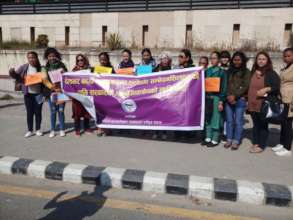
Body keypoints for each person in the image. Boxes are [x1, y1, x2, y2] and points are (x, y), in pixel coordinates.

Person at [247, 51, 280, 153]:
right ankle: (256, 142)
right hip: (252, 103)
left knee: (263, 125)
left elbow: (276, 87)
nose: (261, 61)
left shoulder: (271, 73)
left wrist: (266, 89)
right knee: (256, 124)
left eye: (263, 59)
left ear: (267, 61)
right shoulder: (253, 72)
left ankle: (261, 145)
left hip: (263, 104)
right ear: (256, 61)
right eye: (259, 59)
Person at [9, 51, 44, 138]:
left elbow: (45, 79)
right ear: (28, 59)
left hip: (39, 94)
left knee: (38, 112)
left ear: (36, 58)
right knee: (29, 112)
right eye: (29, 57)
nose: (31, 59)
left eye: (33, 57)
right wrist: (12, 72)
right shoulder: (24, 67)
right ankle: (30, 130)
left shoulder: (41, 68)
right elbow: (16, 75)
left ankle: (38, 129)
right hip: (28, 94)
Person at [224, 51, 251, 150]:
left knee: (238, 121)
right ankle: (229, 139)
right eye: (235, 60)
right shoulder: (229, 71)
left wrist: (235, 96)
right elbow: (225, 84)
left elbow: (245, 86)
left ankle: (236, 141)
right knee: (229, 121)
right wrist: (228, 95)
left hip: (240, 99)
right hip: (228, 99)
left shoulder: (246, 72)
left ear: (242, 60)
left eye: (239, 60)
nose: (237, 62)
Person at [202, 51, 227, 147]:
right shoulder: (207, 71)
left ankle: (215, 139)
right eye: (211, 58)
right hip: (207, 97)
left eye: (215, 58)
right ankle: (208, 137)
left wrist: (221, 101)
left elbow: (224, 88)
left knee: (216, 118)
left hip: (216, 98)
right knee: (207, 117)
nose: (213, 60)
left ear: (219, 59)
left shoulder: (222, 72)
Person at [272, 47, 293, 156]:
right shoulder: (285, 67)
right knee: (283, 122)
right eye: (285, 56)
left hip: (290, 99)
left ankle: (287, 147)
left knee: (288, 124)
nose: (286, 57)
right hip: (283, 99)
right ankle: (281, 143)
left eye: (289, 55)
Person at [44, 47, 68, 138]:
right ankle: (52, 130)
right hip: (52, 93)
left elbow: (67, 77)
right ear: (47, 57)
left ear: (56, 56)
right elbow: (44, 80)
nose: (52, 58)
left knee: (61, 111)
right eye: (50, 56)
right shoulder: (45, 68)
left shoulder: (62, 66)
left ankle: (62, 129)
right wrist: (51, 87)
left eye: (53, 56)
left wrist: (64, 72)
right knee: (53, 111)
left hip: (61, 92)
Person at [175, 49, 195, 140]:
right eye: (179, 56)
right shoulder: (177, 68)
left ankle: (188, 133)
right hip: (179, 96)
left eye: (181, 57)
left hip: (189, 97)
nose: (179, 58)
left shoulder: (193, 68)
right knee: (178, 114)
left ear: (187, 58)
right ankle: (178, 133)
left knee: (188, 114)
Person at [72, 54, 93, 136]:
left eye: (81, 60)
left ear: (84, 60)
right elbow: (69, 81)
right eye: (78, 60)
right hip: (77, 95)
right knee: (77, 112)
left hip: (87, 94)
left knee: (86, 111)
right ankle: (77, 129)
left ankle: (86, 127)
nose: (80, 62)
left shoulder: (89, 70)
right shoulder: (73, 70)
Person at [152, 53, 172, 140]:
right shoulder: (156, 69)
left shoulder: (172, 69)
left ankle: (164, 132)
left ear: (168, 60)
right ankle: (155, 132)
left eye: (166, 58)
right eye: (162, 58)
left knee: (165, 114)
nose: (164, 60)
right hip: (157, 95)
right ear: (160, 60)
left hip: (166, 96)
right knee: (156, 114)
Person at [96, 52, 115, 136]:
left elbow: (115, 80)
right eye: (101, 60)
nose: (103, 61)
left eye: (104, 59)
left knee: (107, 112)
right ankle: (100, 129)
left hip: (108, 93)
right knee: (98, 111)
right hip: (99, 93)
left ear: (107, 60)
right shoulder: (96, 69)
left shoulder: (111, 69)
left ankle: (107, 129)